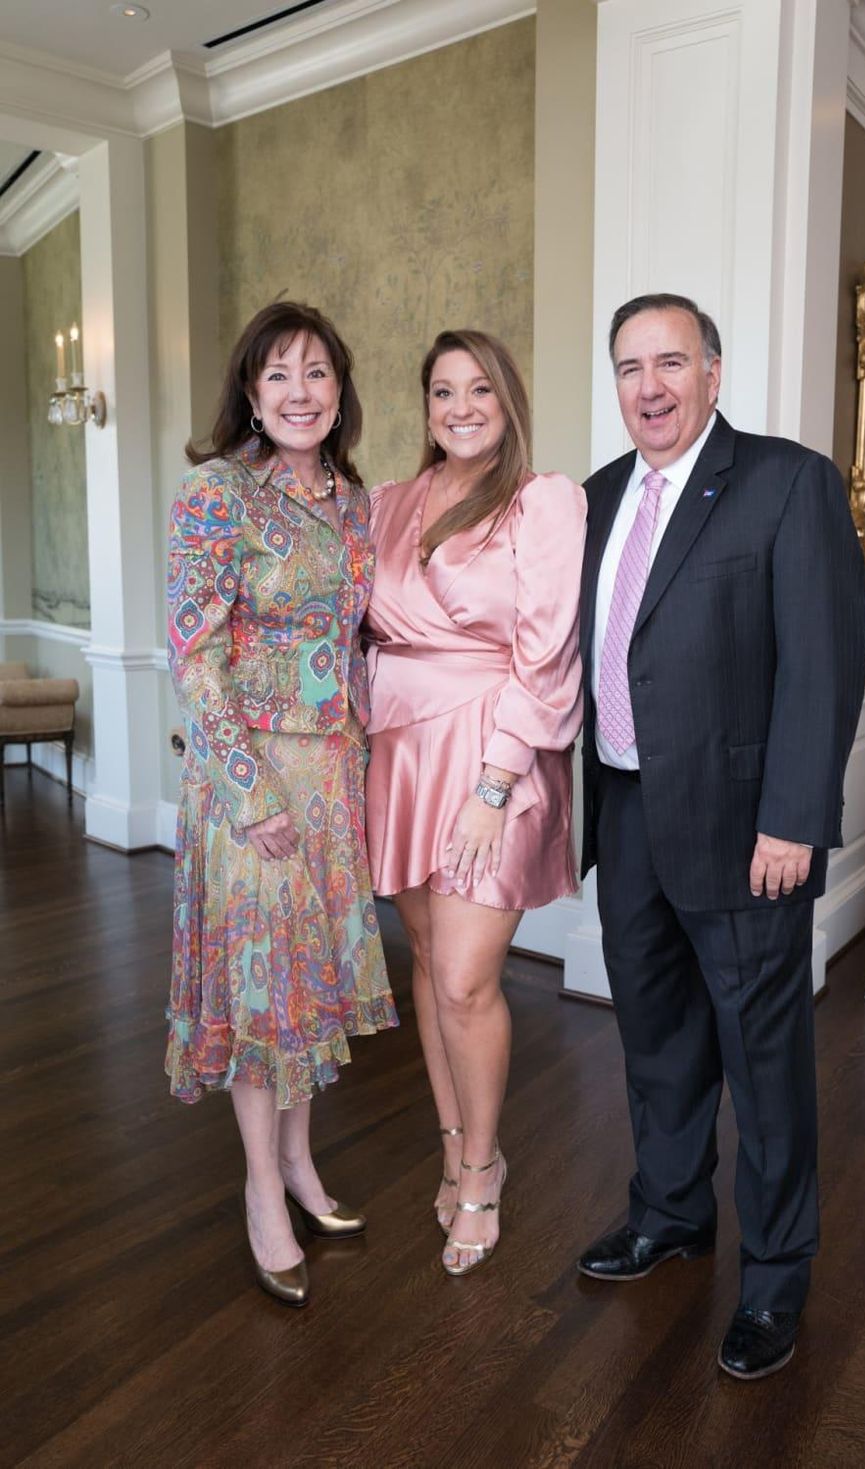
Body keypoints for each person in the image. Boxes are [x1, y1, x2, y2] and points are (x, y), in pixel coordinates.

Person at [576, 293, 865, 1378]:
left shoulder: (787, 483)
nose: (646, 386)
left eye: (668, 362)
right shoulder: (599, 496)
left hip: (748, 826)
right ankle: (669, 1210)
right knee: (654, 1036)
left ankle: (776, 1275)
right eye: (626, 367)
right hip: (624, 808)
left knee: (762, 1057)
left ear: (711, 371)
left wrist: (792, 816)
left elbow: (820, 663)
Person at [166, 301, 398, 1308]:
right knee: (263, 993)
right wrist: (249, 789)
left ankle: (303, 1164)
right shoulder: (217, 494)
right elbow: (194, 653)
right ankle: (263, 1185)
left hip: (332, 774)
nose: (299, 392)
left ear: (339, 388)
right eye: (278, 376)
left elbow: (357, 640)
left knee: (309, 988)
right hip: (250, 779)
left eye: (316, 373)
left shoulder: (352, 499)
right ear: (250, 395)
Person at [364, 329, 586, 1275]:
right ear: (425, 407)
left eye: (480, 391)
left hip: (489, 757)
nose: (460, 408)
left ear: (509, 403)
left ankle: (486, 1166)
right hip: (399, 752)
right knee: (424, 963)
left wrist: (495, 784)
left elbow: (548, 655)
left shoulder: (544, 502)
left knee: (464, 978)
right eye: (443, 392)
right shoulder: (383, 503)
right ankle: (451, 1142)